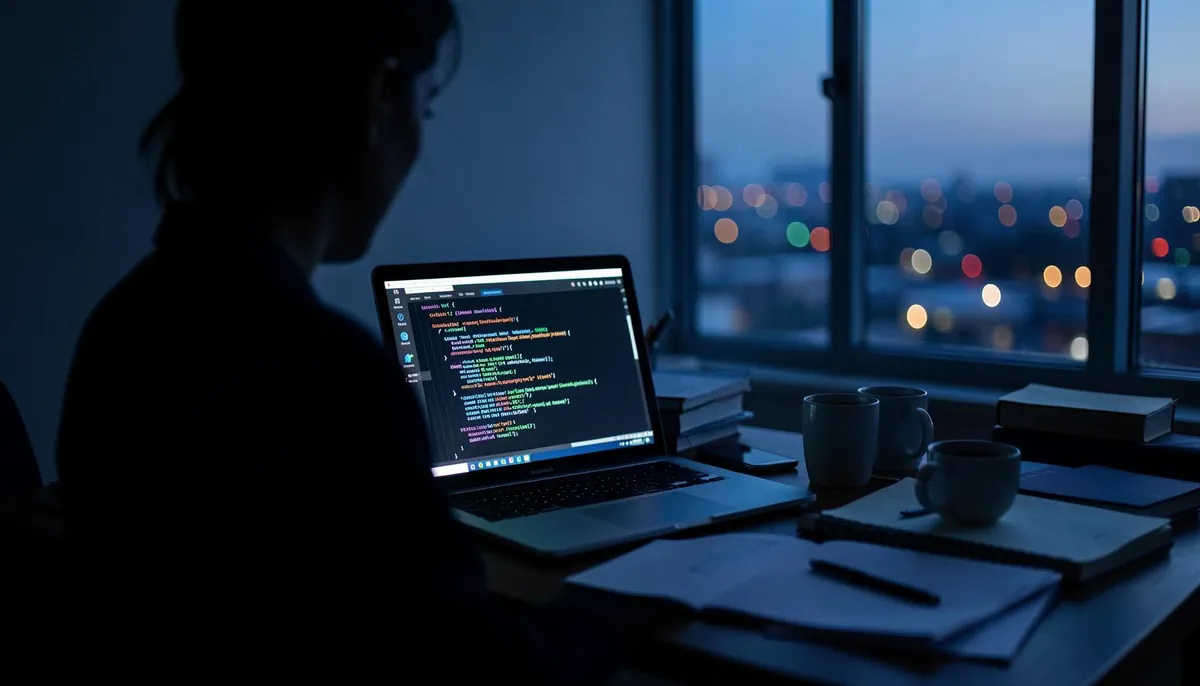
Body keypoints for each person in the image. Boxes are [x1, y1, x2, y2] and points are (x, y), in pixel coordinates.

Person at [57, 1, 667, 680]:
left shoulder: (120, 329)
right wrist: (627, 612)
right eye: (425, 109)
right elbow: (472, 665)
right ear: (380, 98)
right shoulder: (327, 377)